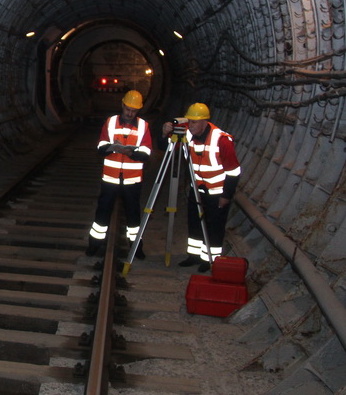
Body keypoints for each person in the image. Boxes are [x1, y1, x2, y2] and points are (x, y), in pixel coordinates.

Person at [161, 103, 241, 273]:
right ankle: (194, 256)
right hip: (196, 190)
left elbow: (234, 172)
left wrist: (226, 196)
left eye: (194, 123)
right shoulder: (189, 134)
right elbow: (165, 147)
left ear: (205, 122)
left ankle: (210, 260)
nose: (190, 126)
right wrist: (165, 131)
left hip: (217, 193)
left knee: (214, 227)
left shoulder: (222, 140)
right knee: (194, 223)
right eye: (189, 122)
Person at [87, 90, 152, 257]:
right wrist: (111, 148)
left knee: (133, 216)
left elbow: (146, 152)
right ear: (122, 105)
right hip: (110, 178)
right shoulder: (110, 122)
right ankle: (94, 245)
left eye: (134, 110)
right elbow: (100, 147)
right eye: (128, 109)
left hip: (132, 180)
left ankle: (136, 247)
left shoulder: (143, 126)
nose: (130, 113)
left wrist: (131, 153)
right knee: (102, 213)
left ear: (138, 110)